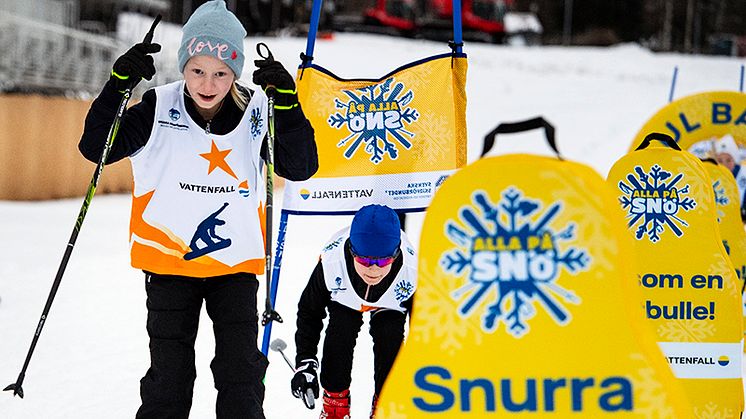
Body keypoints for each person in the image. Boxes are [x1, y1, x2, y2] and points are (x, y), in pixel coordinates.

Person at [78, 1, 318, 417]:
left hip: (234, 266)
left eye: (221, 73)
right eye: (197, 70)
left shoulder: (257, 110)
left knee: (240, 378)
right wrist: (117, 87)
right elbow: (96, 149)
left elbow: (300, 167)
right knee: (168, 382)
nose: (208, 83)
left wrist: (288, 106)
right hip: (170, 265)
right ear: (184, 65)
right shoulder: (157, 107)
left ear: (236, 72)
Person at [291, 204, 417, 419]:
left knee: (389, 333)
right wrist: (306, 362)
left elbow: (423, 330)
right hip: (345, 293)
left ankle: (386, 403)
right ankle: (334, 404)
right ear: (352, 251)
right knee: (341, 329)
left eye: (383, 260)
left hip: (391, 298)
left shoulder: (412, 271)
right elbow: (309, 312)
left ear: (395, 255)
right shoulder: (332, 262)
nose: (373, 269)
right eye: (365, 260)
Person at [714, 134, 746, 222]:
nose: (724, 165)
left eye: (728, 160)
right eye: (720, 161)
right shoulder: (713, 175)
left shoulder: (743, 173)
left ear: (734, 160)